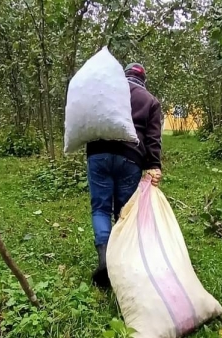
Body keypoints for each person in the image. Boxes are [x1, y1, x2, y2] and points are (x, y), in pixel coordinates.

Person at [86, 62, 163, 289]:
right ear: (143, 80)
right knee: (124, 211)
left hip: (98, 154)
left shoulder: (107, 89)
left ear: (124, 75)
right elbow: (153, 138)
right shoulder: (150, 101)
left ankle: (104, 260)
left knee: (100, 208)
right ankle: (121, 262)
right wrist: (153, 165)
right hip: (131, 157)